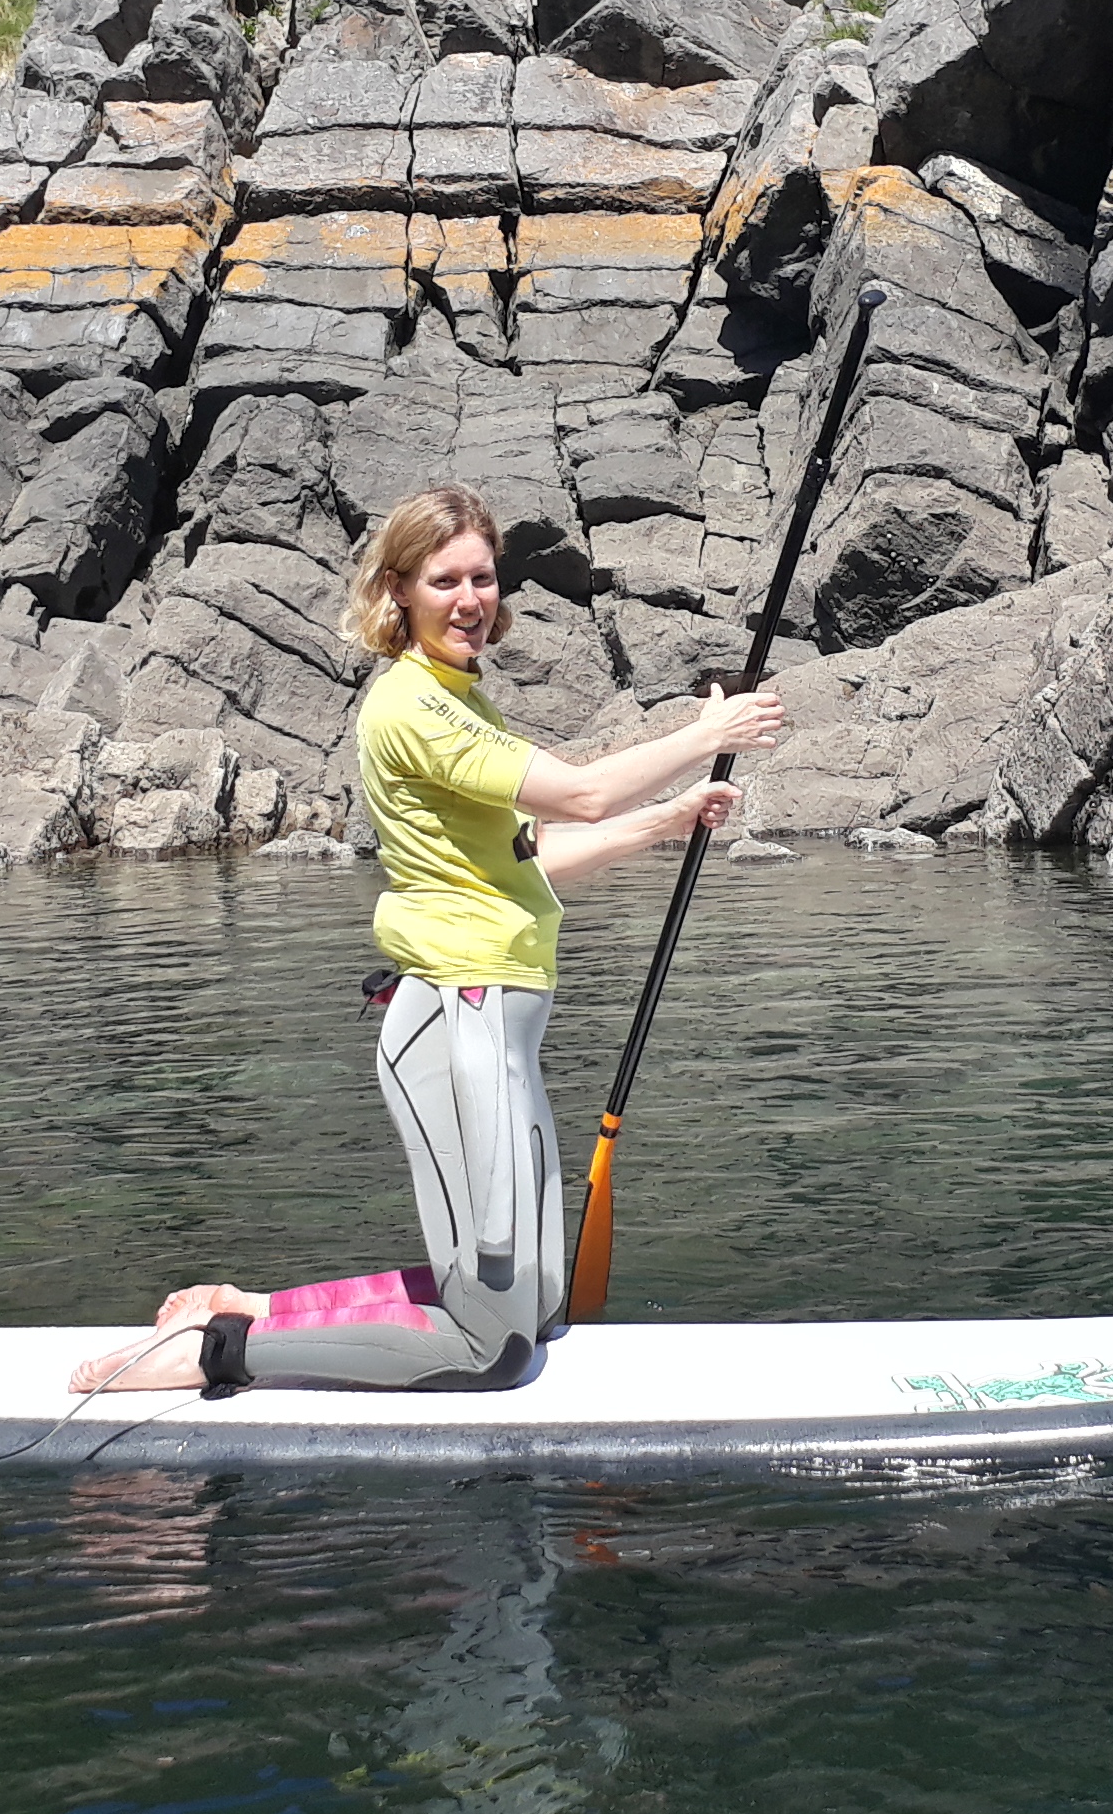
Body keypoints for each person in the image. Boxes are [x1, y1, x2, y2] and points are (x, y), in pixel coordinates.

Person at [71, 484, 787, 1395]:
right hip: (460, 1024)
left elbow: (529, 855)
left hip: (497, 1027)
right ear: (399, 589)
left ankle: (257, 1310)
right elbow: (581, 794)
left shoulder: (464, 701)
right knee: (493, 1348)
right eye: (445, 579)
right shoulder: (414, 705)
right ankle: (210, 1358)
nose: (470, 600)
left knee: (536, 1309)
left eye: (483, 577)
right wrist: (707, 733)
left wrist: (669, 819)